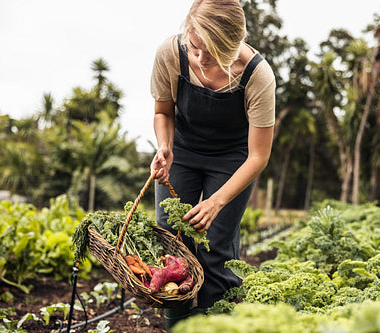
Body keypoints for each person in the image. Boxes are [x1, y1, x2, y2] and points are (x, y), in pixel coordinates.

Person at [149, 0, 275, 327]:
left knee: (216, 248)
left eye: (212, 51)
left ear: (232, 45)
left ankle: (214, 324)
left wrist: (217, 201)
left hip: (234, 159)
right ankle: (177, 326)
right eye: (194, 47)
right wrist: (164, 147)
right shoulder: (169, 54)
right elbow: (163, 112)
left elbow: (259, 156)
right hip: (183, 152)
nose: (201, 59)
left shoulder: (258, 76)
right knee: (174, 243)